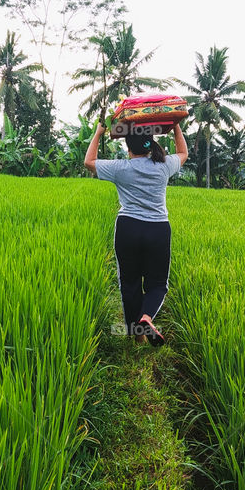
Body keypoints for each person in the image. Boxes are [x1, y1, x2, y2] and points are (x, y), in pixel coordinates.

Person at [84, 121, 188, 346]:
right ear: (151, 145)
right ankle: (146, 318)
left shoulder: (121, 168)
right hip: (158, 229)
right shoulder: (164, 165)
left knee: (129, 282)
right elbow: (183, 152)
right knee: (158, 283)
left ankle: (137, 335)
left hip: (128, 228)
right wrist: (175, 125)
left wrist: (99, 132)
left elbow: (88, 162)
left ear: (127, 146)